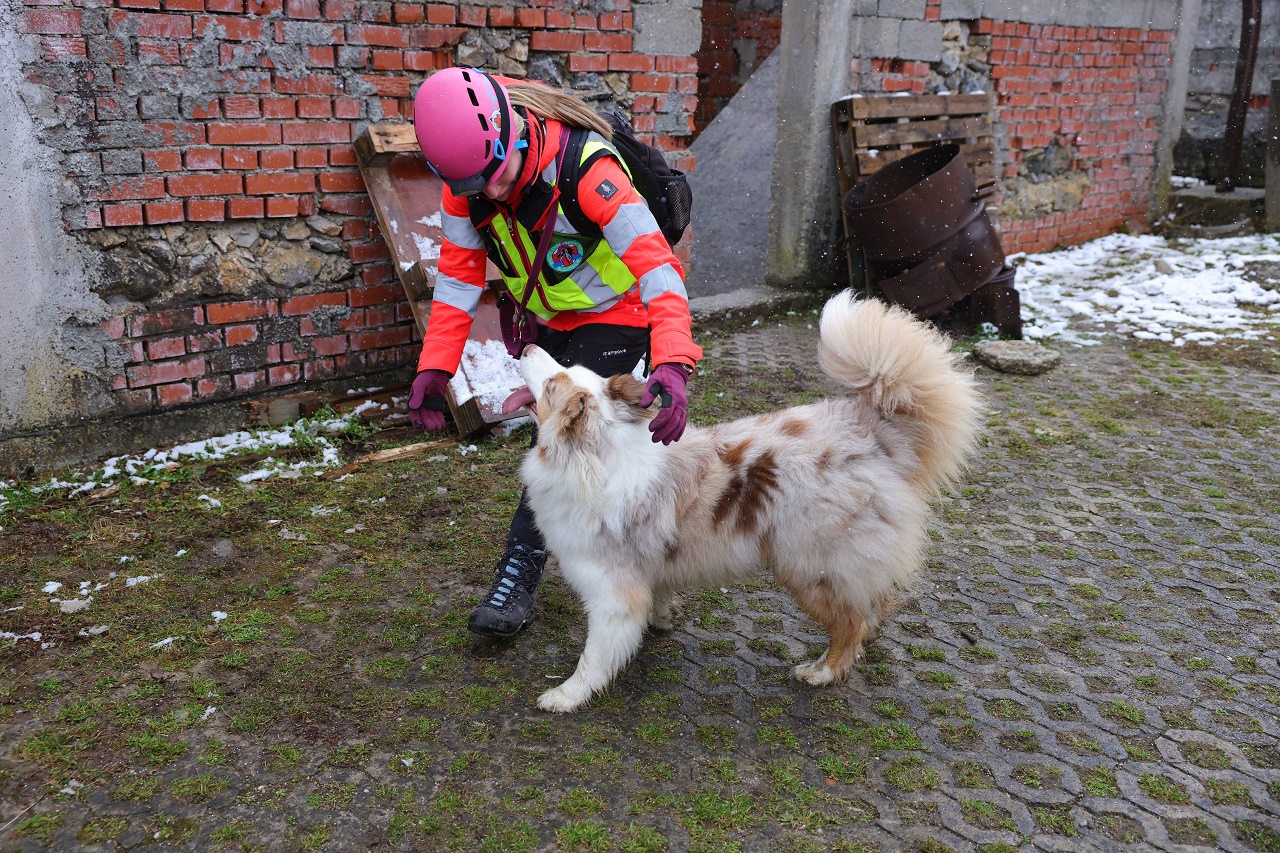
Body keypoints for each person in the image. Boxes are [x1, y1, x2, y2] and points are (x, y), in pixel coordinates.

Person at [405, 67, 703, 638]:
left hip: (617, 312)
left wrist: (672, 360)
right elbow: (459, 279)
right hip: (547, 319)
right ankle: (640, 550)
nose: (492, 193)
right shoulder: (466, 181)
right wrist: (436, 366)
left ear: (511, 133)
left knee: (561, 442)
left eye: (497, 176)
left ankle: (519, 573)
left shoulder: (587, 168)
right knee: (592, 446)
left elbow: (658, 269)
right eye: (475, 186)